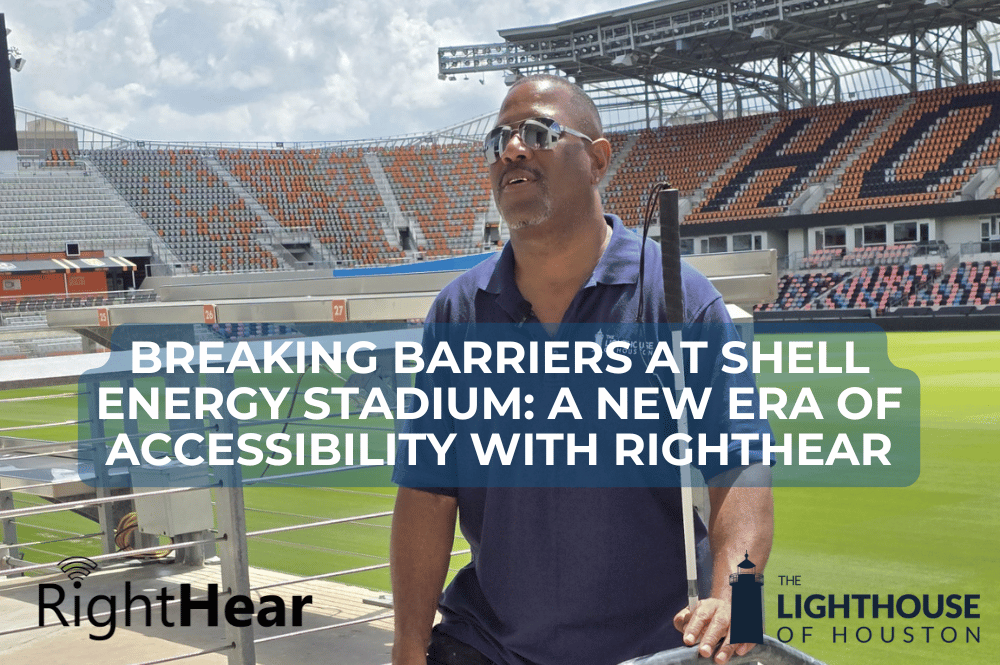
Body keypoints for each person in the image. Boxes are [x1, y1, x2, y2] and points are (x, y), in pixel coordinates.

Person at [390, 74, 774, 665]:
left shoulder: (678, 301)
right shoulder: (459, 312)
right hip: (490, 645)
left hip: (655, 648)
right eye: (498, 141)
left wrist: (737, 598)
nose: (513, 150)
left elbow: (739, 466)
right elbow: (428, 494)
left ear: (597, 160)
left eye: (539, 132)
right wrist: (409, 645)